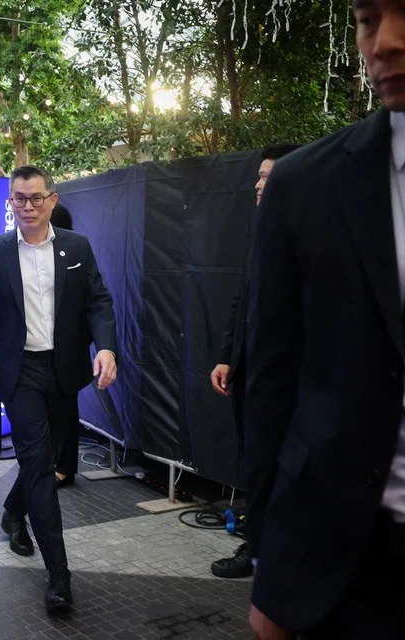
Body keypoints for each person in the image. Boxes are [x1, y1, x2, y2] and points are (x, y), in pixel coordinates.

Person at [245, 2, 405, 637]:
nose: (386, 41)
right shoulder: (307, 183)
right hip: (343, 562)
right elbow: (273, 378)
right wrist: (269, 559)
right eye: (369, 18)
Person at [0, 166, 117, 613]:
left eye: (37, 198)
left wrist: (106, 348)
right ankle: (58, 574)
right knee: (38, 466)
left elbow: (98, 301)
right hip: (19, 374)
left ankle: (14, 511)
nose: (29, 206)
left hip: (64, 370)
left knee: (47, 457)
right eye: (20, 198)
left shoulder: (76, 247)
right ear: (10, 202)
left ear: (52, 200)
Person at [207, 143, 300, 580]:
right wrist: (228, 357)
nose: (258, 185)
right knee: (256, 463)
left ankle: (270, 550)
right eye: (258, 177)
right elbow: (241, 302)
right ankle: (259, 543)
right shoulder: (262, 229)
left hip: (291, 381)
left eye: (267, 176)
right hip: (250, 373)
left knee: (282, 466)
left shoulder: (312, 233)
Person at [48, 202, 81, 488]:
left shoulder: (75, 256)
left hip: (66, 353)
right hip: (35, 354)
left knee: (66, 411)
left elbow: (93, 304)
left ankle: (65, 466)